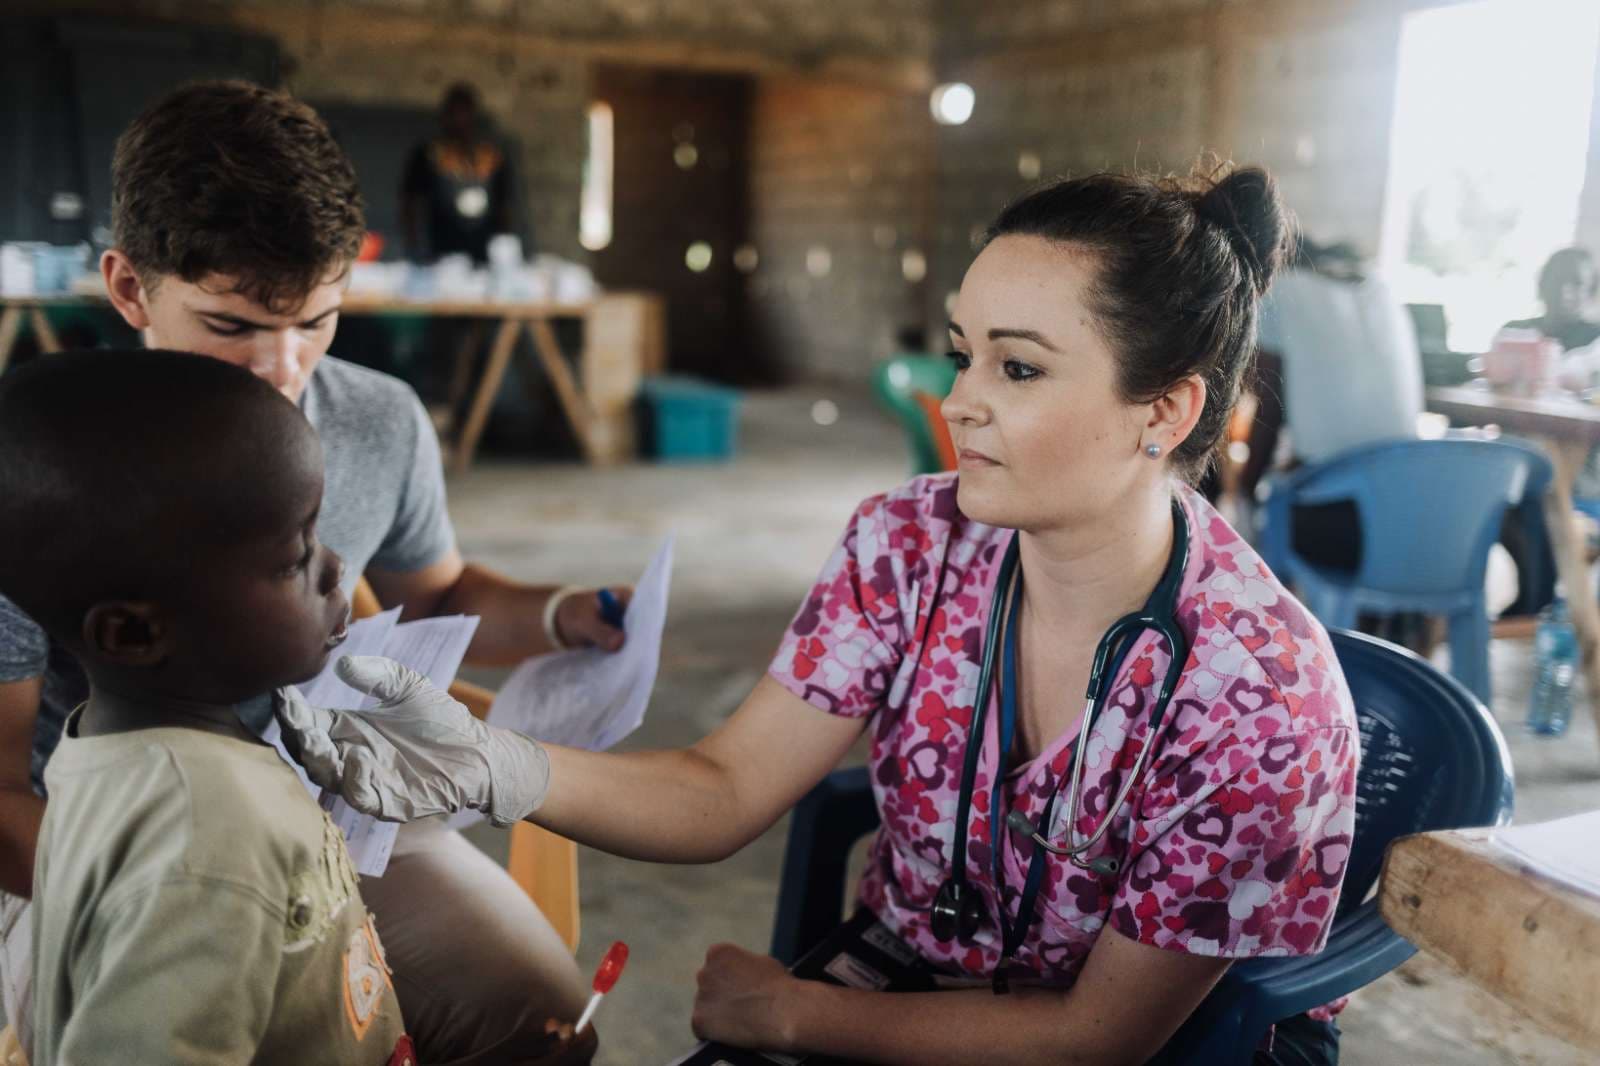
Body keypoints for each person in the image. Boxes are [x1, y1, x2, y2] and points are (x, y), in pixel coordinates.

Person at [283, 165, 1361, 1064]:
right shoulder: (911, 541)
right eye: (964, 352)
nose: (961, 399)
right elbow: (725, 788)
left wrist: (795, 1010)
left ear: (1164, 411)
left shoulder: (1258, 691)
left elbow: (1098, 1036)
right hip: (918, 970)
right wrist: (495, 764)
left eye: (1017, 366)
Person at [0, 81, 619, 1065]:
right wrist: (224, 888)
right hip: (95, 843)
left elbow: (438, 597)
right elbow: (2, 793)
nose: (284, 368)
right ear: (128, 289)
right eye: (234, 325)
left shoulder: (376, 417)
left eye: (318, 320)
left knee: (542, 1027)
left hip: (331, 795)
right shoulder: (50, 471)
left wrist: (560, 615)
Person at [0, 350, 414, 1064]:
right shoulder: (210, 845)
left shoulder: (104, 745)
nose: (335, 565)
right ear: (134, 632)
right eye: (293, 557)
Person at [1241, 238, 1424, 572]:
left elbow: (1269, 409)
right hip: (1413, 517)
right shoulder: (1383, 292)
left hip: (1340, 532)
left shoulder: (1283, 291)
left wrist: (1242, 492)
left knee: (1263, 512)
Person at [401, 83, 517, 264]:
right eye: (454, 114)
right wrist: (413, 246)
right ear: (444, 117)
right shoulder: (429, 155)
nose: (459, 120)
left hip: (484, 253)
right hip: (441, 253)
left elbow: (505, 207)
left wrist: (504, 248)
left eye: (464, 114)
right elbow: (410, 203)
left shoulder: (491, 157)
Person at [1501, 246, 1600, 353]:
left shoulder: (1596, 341)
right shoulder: (1514, 334)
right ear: (1543, 284)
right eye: (1557, 280)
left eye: (1577, 283)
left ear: (1591, 292)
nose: (1565, 293)